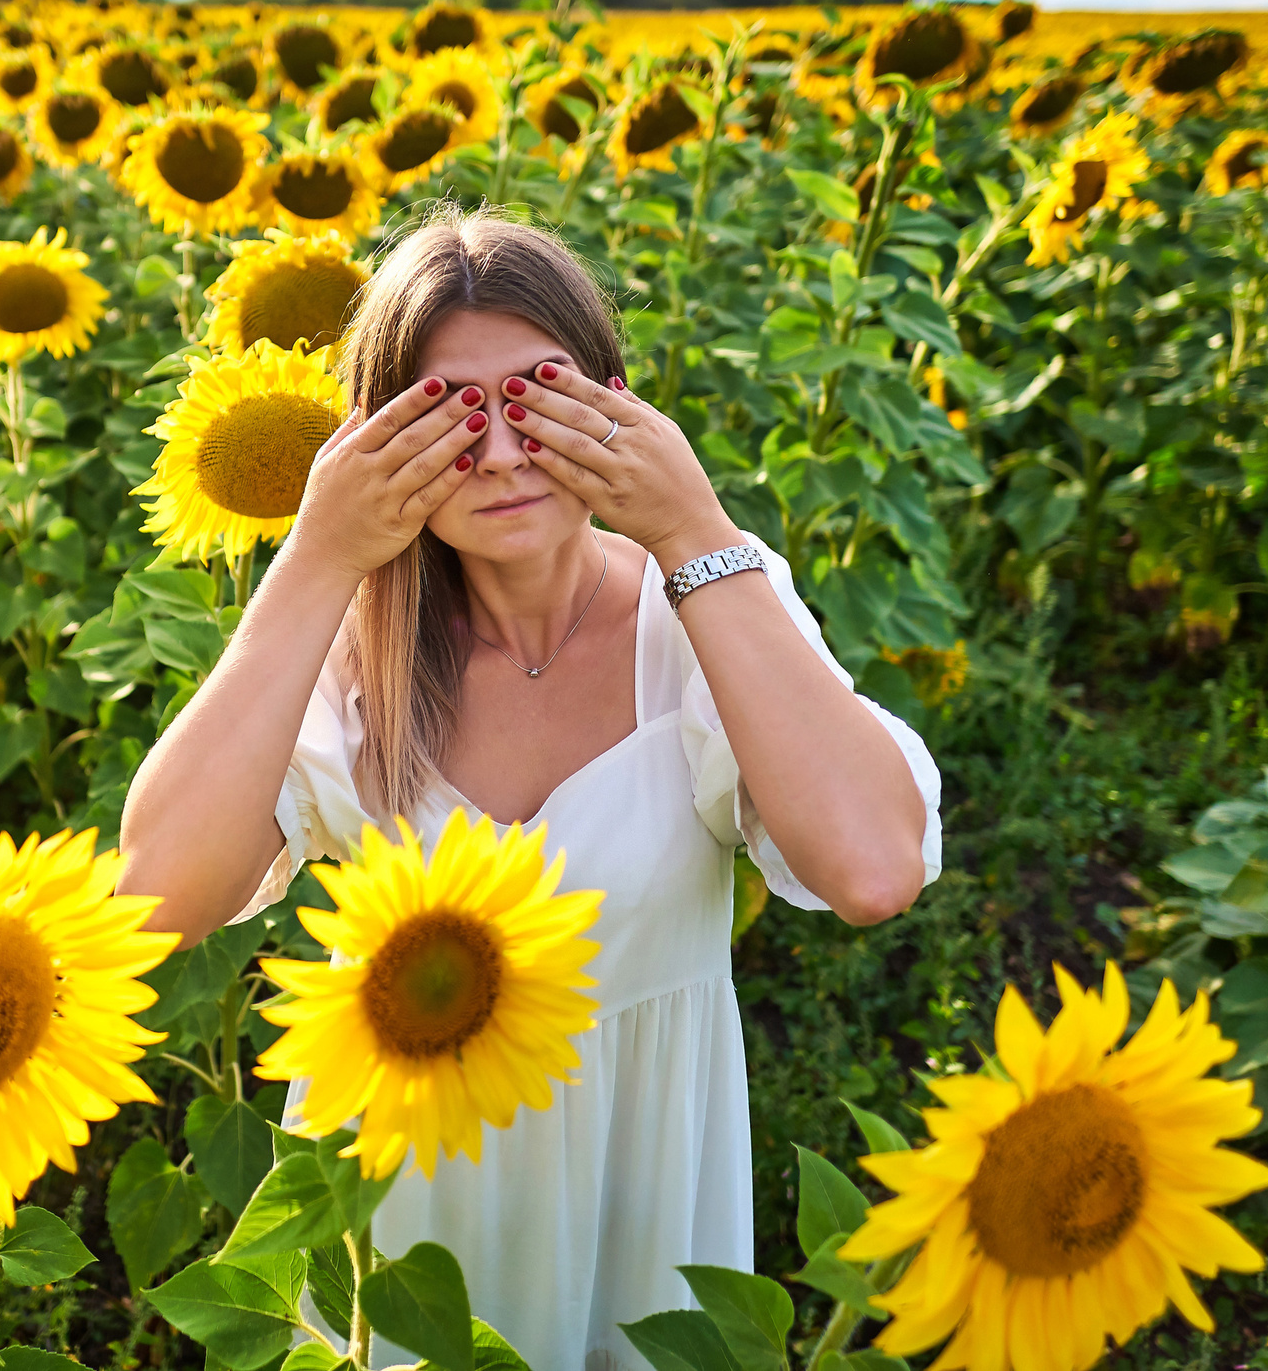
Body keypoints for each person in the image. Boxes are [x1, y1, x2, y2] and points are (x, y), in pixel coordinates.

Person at [119, 204, 942, 1371]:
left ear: (615, 400)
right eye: (448, 419)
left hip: (638, 1214)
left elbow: (870, 868)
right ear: (372, 437)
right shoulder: (356, 651)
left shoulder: (701, 613)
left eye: (538, 399)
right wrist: (317, 556)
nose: (502, 454)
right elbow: (153, 900)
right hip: (396, 1241)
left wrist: (693, 527)